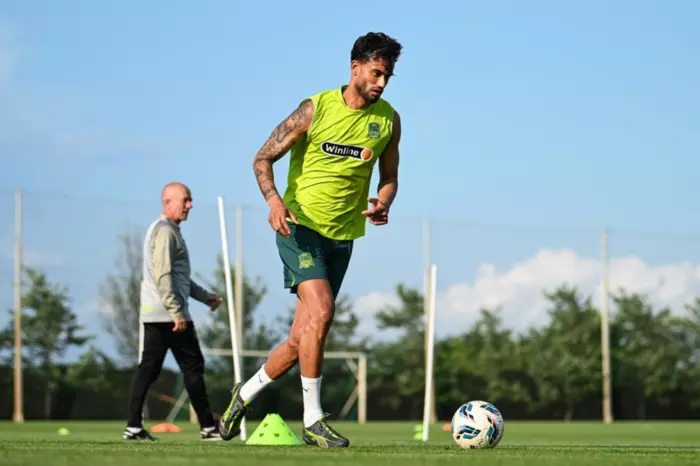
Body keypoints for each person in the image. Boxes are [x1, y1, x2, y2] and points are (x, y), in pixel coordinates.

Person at [219, 32, 403, 448]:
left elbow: (389, 177)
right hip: (299, 227)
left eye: (387, 76)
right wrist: (274, 201)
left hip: (344, 236)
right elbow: (262, 157)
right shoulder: (314, 109)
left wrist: (384, 202)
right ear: (355, 68)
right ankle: (313, 420)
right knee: (323, 311)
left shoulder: (389, 121)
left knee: (301, 338)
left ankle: (242, 395)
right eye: (376, 73)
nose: (381, 83)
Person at [123, 182, 224, 441]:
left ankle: (133, 426)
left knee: (150, 368)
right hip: (168, 313)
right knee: (192, 365)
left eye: (190, 200)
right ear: (167, 202)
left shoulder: (167, 230)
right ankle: (208, 427)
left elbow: (179, 278)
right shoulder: (165, 231)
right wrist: (176, 311)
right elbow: (163, 275)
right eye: (186, 200)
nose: (190, 205)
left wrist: (205, 297)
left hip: (158, 312)